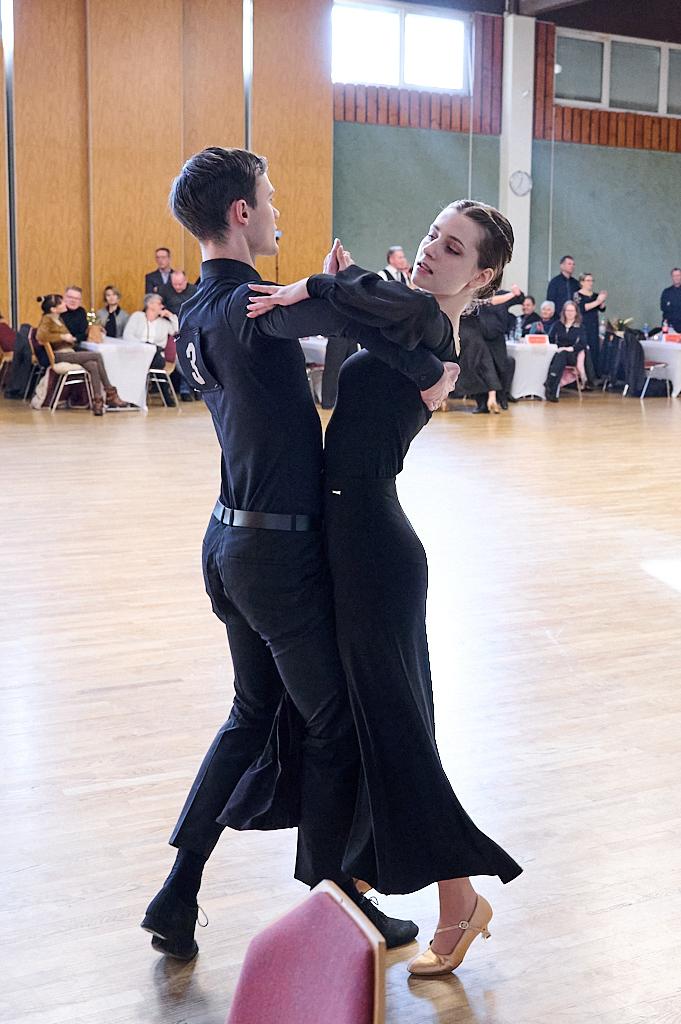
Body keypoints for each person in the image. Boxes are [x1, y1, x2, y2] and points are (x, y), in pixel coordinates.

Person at [140, 147, 440, 962]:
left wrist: (314, 292)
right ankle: (339, 910)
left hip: (229, 544)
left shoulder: (201, 305)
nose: (275, 212)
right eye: (268, 200)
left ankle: (178, 890)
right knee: (333, 725)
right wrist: (422, 360)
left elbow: (303, 362)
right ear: (240, 213)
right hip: (275, 557)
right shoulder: (248, 306)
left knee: (251, 715)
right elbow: (356, 319)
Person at [248, 203, 523, 978]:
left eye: (454, 248)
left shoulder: (434, 330)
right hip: (355, 546)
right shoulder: (407, 328)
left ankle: (450, 899)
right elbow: (356, 335)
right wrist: (335, 292)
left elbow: (366, 301)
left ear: (482, 276)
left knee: (394, 730)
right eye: (434, 235)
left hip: (375, 553)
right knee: (377, 727)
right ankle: (369, 884)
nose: (434, 251)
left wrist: (316, 283)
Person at [35, 294, 127, 414]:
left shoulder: (61, 318)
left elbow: (86, 325)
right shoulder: (47, 318)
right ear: (54, 309)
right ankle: (110, 393)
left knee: (93, 365)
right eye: (62, 303)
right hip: (59, 354)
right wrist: (62, 336)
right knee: (97, 355)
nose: (66, 304)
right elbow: (40, 336)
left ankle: (97, 402)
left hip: (69, 351)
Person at [123, 293, 179, 405]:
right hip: (137, 352)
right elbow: (127, 335)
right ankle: (165, 395)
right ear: (150, 304)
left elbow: (178, 331)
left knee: (153, 357)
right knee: (143, 360)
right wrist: (144, 345)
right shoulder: (137, 316)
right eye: (159, 304)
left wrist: (171, 316)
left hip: (157, 354)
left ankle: (137, 397)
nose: (162, 307)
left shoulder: (164, 323)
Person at [478, 285, 523, 409]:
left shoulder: (503, 294)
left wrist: (517, 292)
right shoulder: (478, 295)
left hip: (498, 339)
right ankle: (482, 403)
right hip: (481, 339)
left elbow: (520, 299)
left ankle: (502, 397)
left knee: (502, 367)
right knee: (482, 369)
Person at [455, 311, 502, 414]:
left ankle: (486, 402)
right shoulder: (475, 305)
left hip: (465, 337)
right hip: (477, 338)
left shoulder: (461, 303)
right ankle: (491, 398)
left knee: (473, 370)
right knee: (486, 368)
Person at [544, 300, 586, 402]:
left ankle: (550, 383)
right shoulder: (557, 325)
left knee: (562, 355)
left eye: (572, 311)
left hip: (572, 355)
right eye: (567, 310)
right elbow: (550, 339)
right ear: (564, 312)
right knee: (560, 356)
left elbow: (583, 344)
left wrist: (568, 349)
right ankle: (552, 390)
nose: (570, 313)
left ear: (576, 312)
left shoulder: (580, 327)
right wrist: (558, 348)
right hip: (558, 353)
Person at [575, 273, 607, 378]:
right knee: (584, 348)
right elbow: (582, 308)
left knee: (594, 347)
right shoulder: (577, 295)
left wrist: (602, 301)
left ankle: (594, 374)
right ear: (582, 282)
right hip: (583, 324)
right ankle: (583, 374)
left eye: (592, 281)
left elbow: (601, 308)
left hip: (594, 324)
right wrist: (598, 301)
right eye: (588, 280)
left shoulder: (595, 295)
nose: (590, 283)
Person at [320, 336, 359, 409]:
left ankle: (348, 401)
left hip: (352, 335)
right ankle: (328, 402)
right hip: (337, 335)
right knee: (333, 370)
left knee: (351, 370)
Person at [660, 267, 681, 332]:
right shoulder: (666, 292)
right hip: (669, 326)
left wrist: (671, 305)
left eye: (678, 275)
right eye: (674, 276)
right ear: (672, 277)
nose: (676, 278)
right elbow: (663, 308)